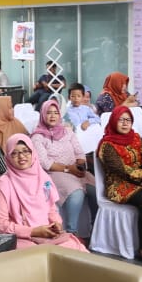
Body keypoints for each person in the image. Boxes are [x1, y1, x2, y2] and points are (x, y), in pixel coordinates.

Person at [0, 134, 89, 252]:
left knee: (78, 251)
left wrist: (56, 224)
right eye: (15, 153)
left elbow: (51, 209)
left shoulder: (43, 178)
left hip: (47, 235)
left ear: (33, 152)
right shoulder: (3, 184)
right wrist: (34, 231)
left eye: (26, 151)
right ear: (8, 157)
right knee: (39, 257)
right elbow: (1, 225)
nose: (21, 156)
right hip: (21, 238)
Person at [98, 107, 142, 261]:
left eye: (128, 120)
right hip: (119, 186)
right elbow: (122, 170)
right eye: (121, 120)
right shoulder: (107, 145)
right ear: (114, 121)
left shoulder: (135, 137)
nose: (125, 123)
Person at [30, 99, 94, 238]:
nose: (52, 116)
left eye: (55, 113)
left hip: (74, 170)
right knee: (76, 192)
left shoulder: (67, 132)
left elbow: (79, 151)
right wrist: (68, 169)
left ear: (60, 115)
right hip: (54, 173)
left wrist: (81, 165)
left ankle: (95, 230)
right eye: (48, 113)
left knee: (96, 190)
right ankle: (71, 233)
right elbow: (45, 163)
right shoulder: (38, 136)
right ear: (42, 115)